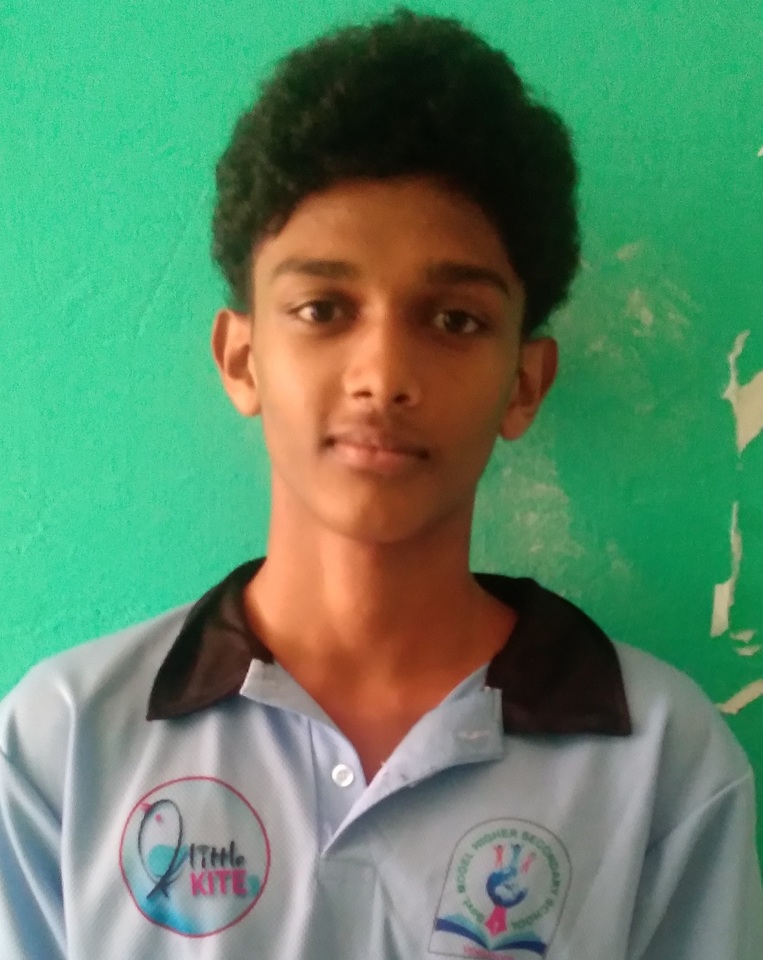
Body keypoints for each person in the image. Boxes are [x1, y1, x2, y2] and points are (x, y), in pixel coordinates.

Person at [1, 8, 761, 959]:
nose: (382, 375)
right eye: (323, 308)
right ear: (241, 359)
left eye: (453, 320)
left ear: (524, 383)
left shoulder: (661, 764)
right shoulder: (65, 744)